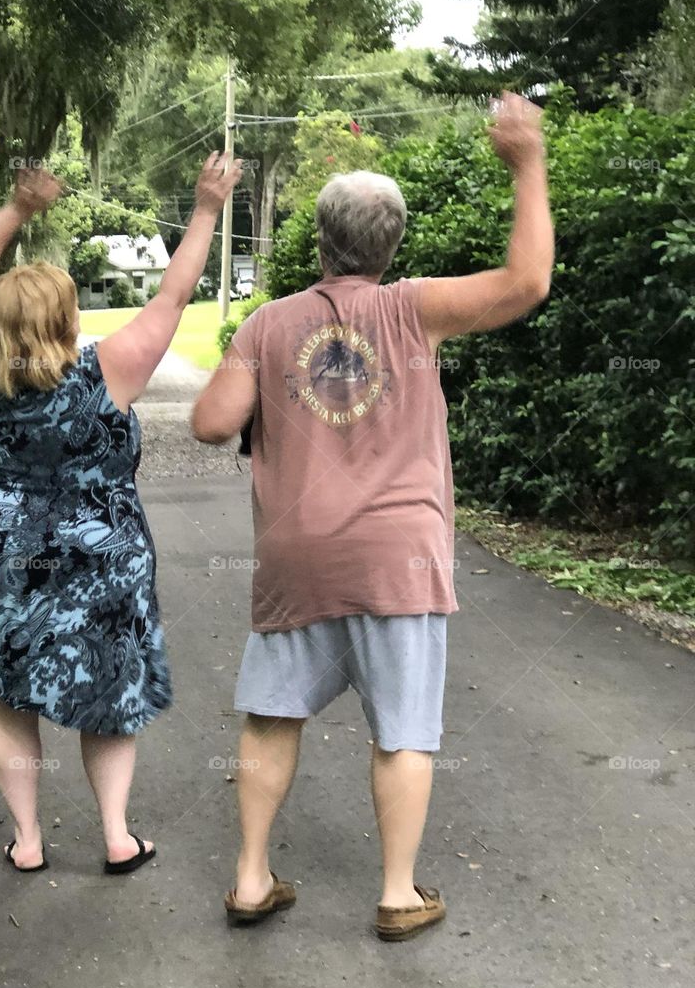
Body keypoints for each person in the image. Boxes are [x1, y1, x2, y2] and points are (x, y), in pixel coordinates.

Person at [192, 92, 553, 938]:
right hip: (402, 559)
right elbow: (528, 281)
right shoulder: (416, 310)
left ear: (321, 240)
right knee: (404, 729)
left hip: (297, 555)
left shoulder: (269, 324)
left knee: (272, 714)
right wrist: (526, 161)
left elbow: (210, 424)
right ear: (391, 246)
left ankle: (250, 879)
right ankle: (396, 894)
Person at [0, 152, 243, 875]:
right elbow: (173, 295)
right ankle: (117, 837)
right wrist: (205, 209)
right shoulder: (112, 371)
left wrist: (19, 209)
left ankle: (29, 841)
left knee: (8, 700)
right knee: (107, 690)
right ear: (68, 321)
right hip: (95, 552)